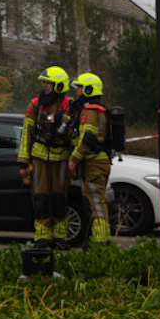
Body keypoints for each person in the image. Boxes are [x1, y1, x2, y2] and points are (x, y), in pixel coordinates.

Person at [18, 65, 77, 247]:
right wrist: (23, 161)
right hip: (40, 156)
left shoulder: (70, 104)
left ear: (59, 85)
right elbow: (27, 132)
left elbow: (76, 134)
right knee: (41, 196)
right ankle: (42, 236)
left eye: (48, 83)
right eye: (44, 82)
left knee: (60, 197)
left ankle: (60, 235)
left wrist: (76, 158)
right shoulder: (36, 104)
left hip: (61, 158)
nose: (45, 85)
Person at [67, 72, 113, 246]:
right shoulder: (95, 109)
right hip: (97, 161)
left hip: (94, 163)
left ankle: (101, 241)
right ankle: (97, 237)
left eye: (79, 88)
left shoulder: (90, 110)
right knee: (95, 199)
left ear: (88, 89)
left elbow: (87, 138)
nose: (77, 91)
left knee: (96, 200)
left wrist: (74, 159)